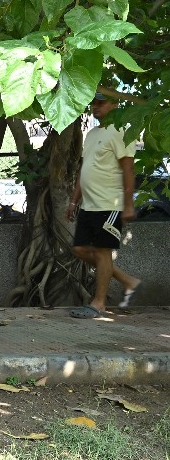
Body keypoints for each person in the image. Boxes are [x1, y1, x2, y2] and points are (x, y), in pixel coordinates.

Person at [67, 93, 142, 317]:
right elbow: (84, 169)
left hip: (109, 203)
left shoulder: (121, 131)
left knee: (102, 251)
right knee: (79, 249)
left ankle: (99, 303)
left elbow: (128, 169)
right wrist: (74, 200)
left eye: (101, 102)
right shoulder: (91, 134)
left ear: (115, 104)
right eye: (94, 103)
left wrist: (128, 205)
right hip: (89, 204)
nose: (96, 106)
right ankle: (128, 281)